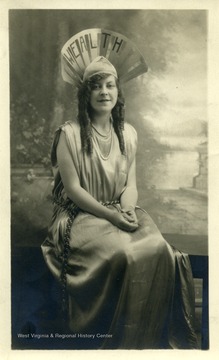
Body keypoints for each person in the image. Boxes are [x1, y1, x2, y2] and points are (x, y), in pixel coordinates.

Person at [41, 54, 198, 349]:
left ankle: (148, 340)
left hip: (117, 209)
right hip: (79, 215)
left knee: (160, 250)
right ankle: (113, 340)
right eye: (96, 86)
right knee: (124, 254)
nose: (104, 92)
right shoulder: (69, 134)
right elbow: (74, 189)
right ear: (85, 94)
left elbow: (131, 185)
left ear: (117, 92)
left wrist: (126, 208)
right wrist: (111, 217)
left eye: (109, 85)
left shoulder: (128, 134)